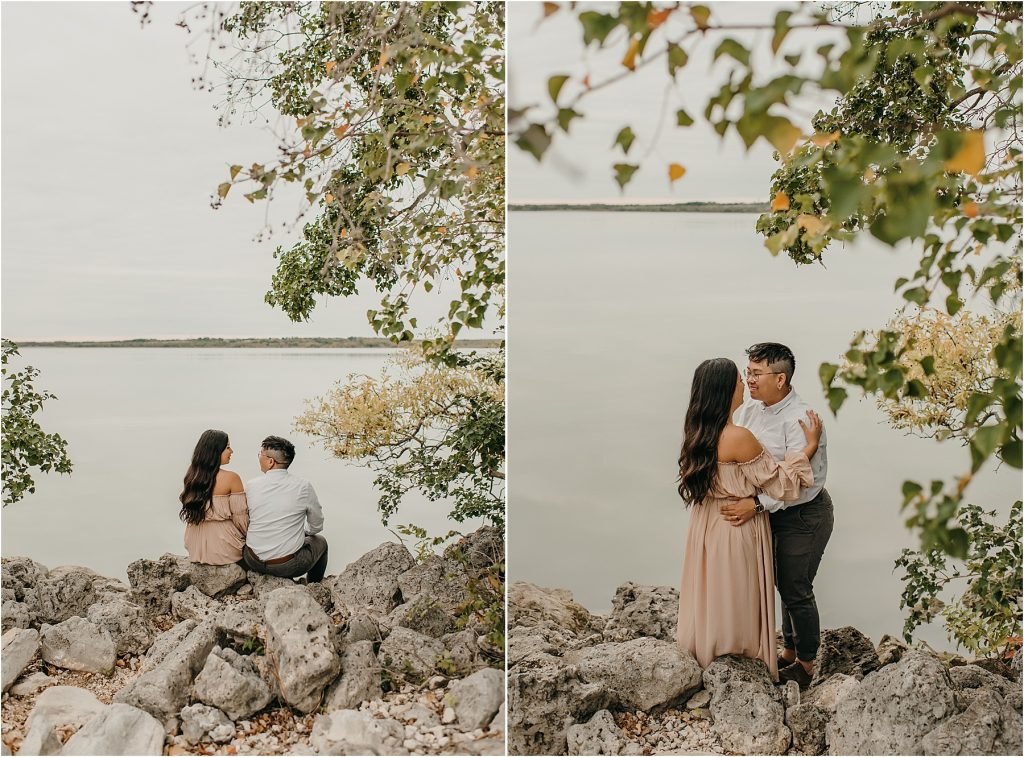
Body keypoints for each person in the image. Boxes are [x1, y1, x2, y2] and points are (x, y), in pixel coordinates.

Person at [676, 358, 821, 681]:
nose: (745, 384)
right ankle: (737, 659)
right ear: (727, 391)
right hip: (736, 526)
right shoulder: (738, 437)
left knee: (712, 589)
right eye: (740, 381)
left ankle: (707, 651)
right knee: (736, 592)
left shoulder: (696, 432)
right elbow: (782, 483)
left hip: (706, 523)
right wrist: (807, 448)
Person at [720, 342, 833, 688]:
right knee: (781, 582)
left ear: (780, 379)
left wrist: (754, 505)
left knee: (796, 588)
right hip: (771, 514)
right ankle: (787, 651)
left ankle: (808, 663)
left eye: (756, 374)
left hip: (803, 515)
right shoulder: (753, 410)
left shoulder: (800, 419)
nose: (748, 379)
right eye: (748, 372)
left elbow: (797, 484)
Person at [242, 435, 328, 583]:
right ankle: (314, 585)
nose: (258, 458)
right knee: (321, 542)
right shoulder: (303, 486)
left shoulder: (251, 485)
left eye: (260, 454)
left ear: (270, 462)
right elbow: (317, 524)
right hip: (286, 566)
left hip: (252, 560)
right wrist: (306, 533)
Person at [180, 429, 248, 565]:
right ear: (216, 451)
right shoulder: (232, 478)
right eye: (228, 447)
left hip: (195, 545)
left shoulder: (192, 475)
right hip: (223, 547)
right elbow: (241, 519)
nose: (232, 451)